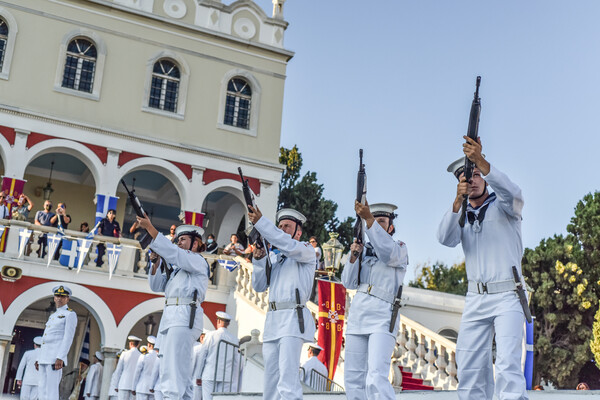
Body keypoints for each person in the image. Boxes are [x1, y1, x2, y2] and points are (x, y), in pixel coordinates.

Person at [437, 136, 528, 400]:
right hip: (476, 299)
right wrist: (457, 203)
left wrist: (481, 161)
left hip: (508, 294)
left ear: (485, 177)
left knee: (508, 367)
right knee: (469, 369)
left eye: (476, 174)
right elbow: (445, 238)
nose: (472, 180)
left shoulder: (504, 206)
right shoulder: (460, 214)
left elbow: (515, 195)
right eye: (466, 177)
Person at [341, 202, 408, 400]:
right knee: (353, 378)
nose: (376, 226)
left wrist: (368, 219)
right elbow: (348, 282)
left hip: (383, 315)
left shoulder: (399, 248)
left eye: (381, 222)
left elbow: (387, 254)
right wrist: (354, 255)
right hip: (359, 314)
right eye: (373, 221)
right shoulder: (363, 251)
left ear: (391, 227)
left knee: (376, 377)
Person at [248, 206, 317, 400]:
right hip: (273, 321)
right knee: (270, 382)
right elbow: (259, 285)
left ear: (298, 232)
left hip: (293, 321)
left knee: (288, 381)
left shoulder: (305, 250)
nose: (282, 229)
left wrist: (262, 223)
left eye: (287, 226)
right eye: (280, 225)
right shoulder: (275, 257)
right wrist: (259, 259)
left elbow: (286, 243)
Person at [138, 214, 210, 400]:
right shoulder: (178, 269)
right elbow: (156, 286)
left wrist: (151, 229)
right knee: (178, 375)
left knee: (172, 372)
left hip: (184, 317)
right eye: (177, 240)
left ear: (195, 243)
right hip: (171, 318)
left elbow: (175, 254)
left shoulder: (197, 261)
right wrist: (155, 263)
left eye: (183, 240)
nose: (178, 243)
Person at [36, 285, 78, 400]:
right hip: (44, 357)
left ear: (67, 299)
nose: (59, 299)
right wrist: (39, 358)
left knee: (51, 390)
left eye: (62, 296)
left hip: (55, 358)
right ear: (54, 298)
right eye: (57, 296)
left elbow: (68, 338)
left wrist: (60, 357)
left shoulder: (70, 314)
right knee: (41, 387)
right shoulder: (53, 315)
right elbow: (45, 339)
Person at [196, 312, 240, 400]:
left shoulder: (210, 335)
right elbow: (236, 362)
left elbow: (202, 356)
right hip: (226, 376)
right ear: (228, 323)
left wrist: (198, 375)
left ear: (218, 321)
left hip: (209, 374)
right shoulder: (234, 339)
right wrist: (233, 379)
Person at [110, 335, 142, 400]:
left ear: (130, 343)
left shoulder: (124, 354)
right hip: (134, 386)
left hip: (123, 383)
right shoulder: (141, 356)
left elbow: (118, 370)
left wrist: (116, 385)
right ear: (138, 344)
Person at [132, 336, 158, 400]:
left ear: (149, 345)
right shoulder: (158, 357)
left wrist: (133, 387)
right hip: (153, 389)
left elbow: (137, 372)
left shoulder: (144, 356)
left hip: (142, 387)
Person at [191, 332, 207, 400]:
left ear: (202, 337)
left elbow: (192, 366)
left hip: (195, 381)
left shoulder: (196, 349)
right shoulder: (212, 349)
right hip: (207, 382)